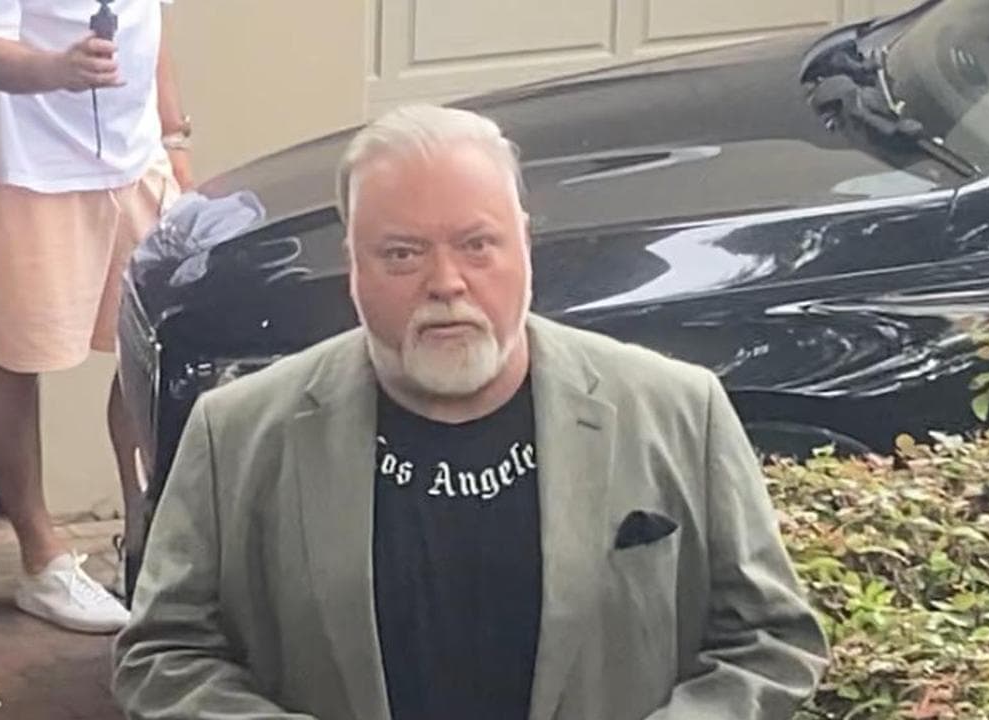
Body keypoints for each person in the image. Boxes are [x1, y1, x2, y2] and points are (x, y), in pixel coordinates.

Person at [113, 104, 829, 719]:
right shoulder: (236, 435)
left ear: (526, 245)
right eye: (402, 254)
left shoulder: (679, 412)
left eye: (477, 245)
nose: (446, 283)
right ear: (354, 268)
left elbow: (770, 641)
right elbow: (164, 652)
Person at [0, 0, 194, 634]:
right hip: (23, 171)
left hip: (138, 161)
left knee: (161, 342)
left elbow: (149, 23)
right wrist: (57, 69)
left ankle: (145, 530)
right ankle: (41, 561)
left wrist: (175, 138)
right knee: (10, 357)